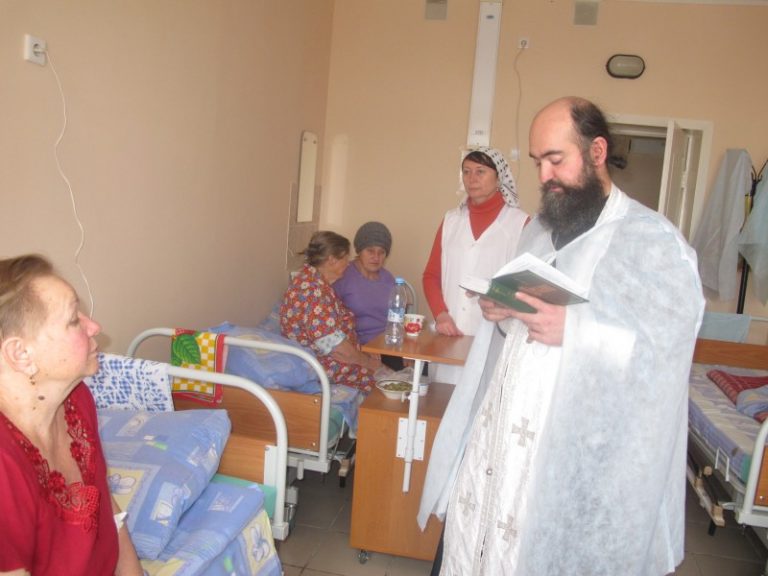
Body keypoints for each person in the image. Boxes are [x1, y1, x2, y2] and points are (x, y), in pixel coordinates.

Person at [420, 97, 704, 575]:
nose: (544, 176)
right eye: (537, 162)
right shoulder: (540, 232)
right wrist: (504, 311)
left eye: (555, 159)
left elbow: (664, 352)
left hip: (574, 456)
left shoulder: (652, 243)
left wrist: (577, 331)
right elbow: (528, 322)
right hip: (499, 447)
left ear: (597, 152)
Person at [0, 255, 143, 575]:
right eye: (74, 320)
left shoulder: (75, 399)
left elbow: (106, 508)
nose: (94, 326)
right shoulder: (4, 465)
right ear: (21, 354)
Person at [422, 147, 529, 383]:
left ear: (499, 177)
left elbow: (526, 287)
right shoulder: (451, 220)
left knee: (483, 396)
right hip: (450, 332)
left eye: (481, 171)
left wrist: (495, 293)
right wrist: (441, 315)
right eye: (466, 171)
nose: (472, 178)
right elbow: (430, 275)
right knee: (443, 397)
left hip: (494, 332)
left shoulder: (519, 224)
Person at [281, 231, 383, 392]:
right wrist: (368, 362)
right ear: (332, 260)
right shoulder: (312, 292)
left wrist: (364, 354)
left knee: (391, 372)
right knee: (388, 382)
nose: (348, 264)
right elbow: (337, 347)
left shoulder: (315, 281)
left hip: (339, 357)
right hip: (326, 365)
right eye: (345, 258)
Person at [333, 221, 396, 345]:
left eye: (381, 252)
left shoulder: (388, 279)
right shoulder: (342, 276)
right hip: (357, 346)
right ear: (359, 251)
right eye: (370, 251)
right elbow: (332, 325)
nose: (376, 257)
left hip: (388, 345)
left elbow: (396, 320)